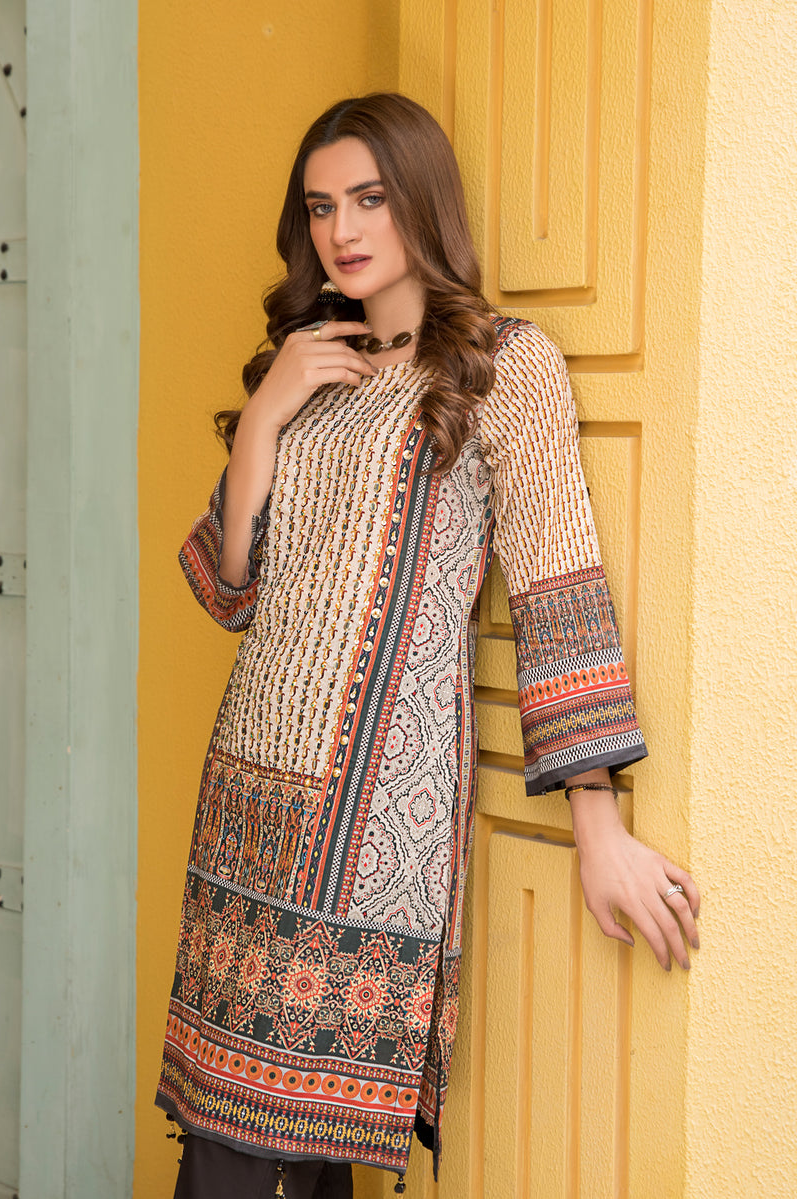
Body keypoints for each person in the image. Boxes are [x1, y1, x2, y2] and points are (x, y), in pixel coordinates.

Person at [157, 93, 700, 1199]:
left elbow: (555, 584)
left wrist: (596, 822)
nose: (342, 230)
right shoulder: (310, 365)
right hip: (246, 803)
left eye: (369, 198)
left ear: (421, 200)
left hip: (371, 822)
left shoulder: (501, 362)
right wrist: (264, 413)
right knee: (235, 1144)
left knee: (265, 1159)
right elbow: (227, 588)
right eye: (321, 207)